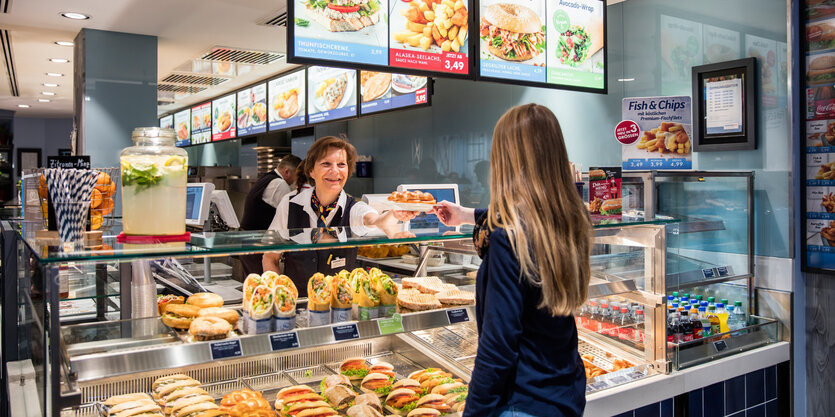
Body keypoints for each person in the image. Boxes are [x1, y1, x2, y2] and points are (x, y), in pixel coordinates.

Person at [430, 104, 592, 417]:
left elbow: (498, 347)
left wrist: (474, 413)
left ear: (506, 159)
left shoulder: (508, 238)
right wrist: (468, 216)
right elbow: (531, 214)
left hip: (521, 402)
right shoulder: (571, 217)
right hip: (564, 392)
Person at [264, 136, 415, 295]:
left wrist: (389, 218)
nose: (335, 171)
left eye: (341, 164)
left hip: (341, 308)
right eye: (326, 164)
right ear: (311, 171)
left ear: (348, 171)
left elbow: (372, 219)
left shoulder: (353, 208)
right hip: (299, 306)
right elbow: (269, 257)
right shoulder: (290, 204)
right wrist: (280, 296)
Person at [239, 155, 302, 275]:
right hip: (256, 244)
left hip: (247, 240)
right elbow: (292, 214)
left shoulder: (267, 178)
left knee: (256, 284)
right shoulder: (279, 184)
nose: (297, 181)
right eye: (297, 176)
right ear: (287, 172)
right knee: (262, 286)